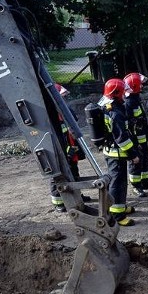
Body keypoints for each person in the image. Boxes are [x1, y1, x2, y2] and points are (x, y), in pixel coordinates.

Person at [99, 78, 140, 226]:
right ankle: (117, 214)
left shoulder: (110, 106)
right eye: (123, 92)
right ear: (117, 94)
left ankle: (119, 206)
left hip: (114, 152)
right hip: (117, 154)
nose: (125, 95)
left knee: (119, 182)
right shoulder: (115, 113)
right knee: (118, 183)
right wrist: (133, 154)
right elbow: (122, 138)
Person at [50, 83, 90, 212]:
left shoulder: (63, 110)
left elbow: (73, 119)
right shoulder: (49, 116)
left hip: (70, 147)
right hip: (58, 151)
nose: (64, 100)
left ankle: (77, 196)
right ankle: (59, 202)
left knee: (73, 171)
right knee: (58, 175)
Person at [124, 72, 148, 197]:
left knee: (145, 159)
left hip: (142, 137)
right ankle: (136, 186)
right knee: (135, 163)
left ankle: (145, 181)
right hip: (135, 140)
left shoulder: (136, 98)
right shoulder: (128, 103)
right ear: (134, 86)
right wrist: (134, 142)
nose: (142, 86)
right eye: (140, 84)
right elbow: (128, 126)